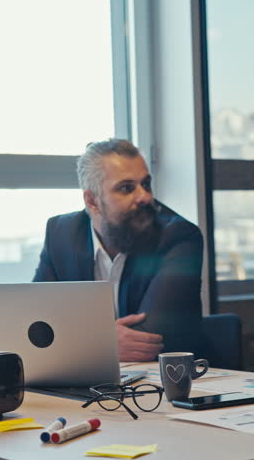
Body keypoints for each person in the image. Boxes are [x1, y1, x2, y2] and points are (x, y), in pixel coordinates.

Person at [33, 139, 205, 362]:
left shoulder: (179, 236)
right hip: (89, 379)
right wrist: (102, 341)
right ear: (92, 201)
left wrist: (72, 337)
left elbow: (146, 340)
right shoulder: (61, 233)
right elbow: (36, 323)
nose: (145, 196)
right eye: (127, 188)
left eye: (146, 184)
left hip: (172, 382)